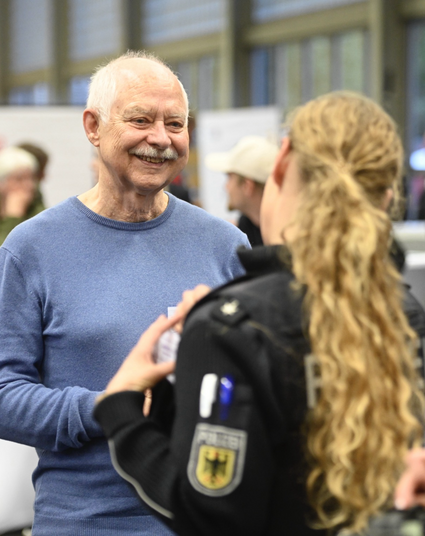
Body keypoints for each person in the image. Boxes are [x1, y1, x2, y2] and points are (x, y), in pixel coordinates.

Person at [94, 92, 425, 535]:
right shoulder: (403, 311)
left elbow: (210, 513)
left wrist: (122, 407)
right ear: (385, 197)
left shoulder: (232, 327)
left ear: (283, 161)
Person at [0, 50, 249, 536]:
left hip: (205, 520)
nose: (160, 138)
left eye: (175, 123)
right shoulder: (31, 249)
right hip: (86, 523)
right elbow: (2, 393)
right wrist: (107, 406)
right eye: (140, 120)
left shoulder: (226, 246)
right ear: (93, 126)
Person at [205, 135, 279, 246]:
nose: (226, 186)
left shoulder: (289, 239)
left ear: (247, 185)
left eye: (230, 177)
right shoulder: (244, 229)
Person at [0, 146, 44, 253]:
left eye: (31, 178)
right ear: (0, 184)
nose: (29, 185)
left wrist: (13, 218)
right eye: (19, 179)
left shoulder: (41, 215)